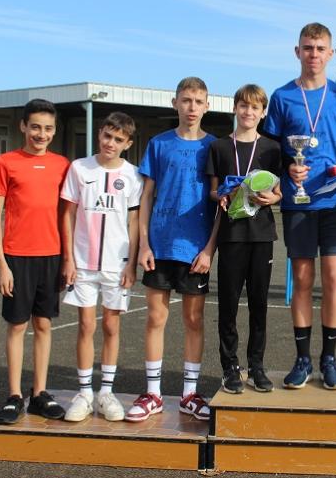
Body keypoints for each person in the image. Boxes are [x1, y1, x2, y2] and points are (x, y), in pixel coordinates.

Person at [263, 22, 336, 390]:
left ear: (330, 53)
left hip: (335, 199)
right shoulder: (282, 96)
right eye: (307, 47)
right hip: (298, 200)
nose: (313, 54)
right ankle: (302, 359)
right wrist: (288, 166)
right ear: (297, 51)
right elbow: (272, 149)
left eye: (320, 48)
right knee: (302, 279)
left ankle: (329, 359)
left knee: (333, 279)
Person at [126, 77, 218, 422]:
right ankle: (153, 393)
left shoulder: (215, 147)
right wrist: (144, 244)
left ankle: (189, 394)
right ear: (175, 103)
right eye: (186, 100)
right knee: (155, 318)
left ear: (207, 106)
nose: (192, 107)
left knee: (194, 320)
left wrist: (209, 249)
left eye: (198, 101)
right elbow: (146, 196)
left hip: (195, 248)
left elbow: (220, 204)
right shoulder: (159, 144)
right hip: (161, 245)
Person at [0, 99, 69, 424]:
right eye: (35, 127)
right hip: (17, 257)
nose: (41, 134)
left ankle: (39, 394)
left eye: (48, 128)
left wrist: (67, 260)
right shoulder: (6, 162)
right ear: (23, 126)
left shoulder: (62, 165)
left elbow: (66, 216)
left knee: (44, 324)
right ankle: (14, 396)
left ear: (54, 131)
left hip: (50, 255)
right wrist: (2, 265)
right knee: (18, 325)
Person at [60, 112, 143, 421]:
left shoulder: (133, 175)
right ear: (99, 134)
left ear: (128, 144)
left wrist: (131, 264)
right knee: (86, 325)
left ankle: (106, 393)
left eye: (118, 139)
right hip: (82, 262)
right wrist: (68, 258)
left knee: (111, 325)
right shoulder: (79, 168)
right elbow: (68, 215)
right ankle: (84, 393)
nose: (111, 143)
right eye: (107, 136)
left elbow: (134, 221)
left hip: (116, 264)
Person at [207, 84, 282, 394]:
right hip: (232, 235)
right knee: (228, 304)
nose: (248, 112)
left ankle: (257, 366)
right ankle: (230, 367)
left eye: (254, 107)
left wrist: (272, 198)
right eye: (243, 106)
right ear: (235, 108)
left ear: (262, 113)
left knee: (258, 304)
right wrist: (222, 195)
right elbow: (213, 190)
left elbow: (278, 191)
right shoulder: (219, 147)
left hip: (261, 234)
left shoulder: (272, 148)